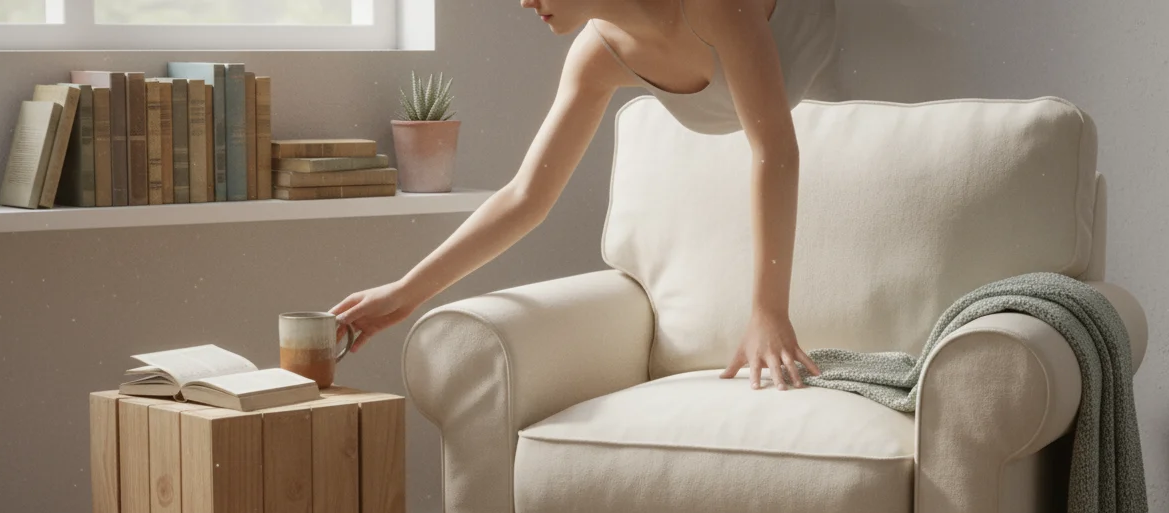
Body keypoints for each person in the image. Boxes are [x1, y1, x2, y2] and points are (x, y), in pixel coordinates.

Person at [330, 0, 837, 390]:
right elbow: (526, 197)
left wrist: (768, 312)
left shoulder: (713, 6)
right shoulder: (597, 57)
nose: (525, 1)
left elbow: (774, 149)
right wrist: (404, 294)